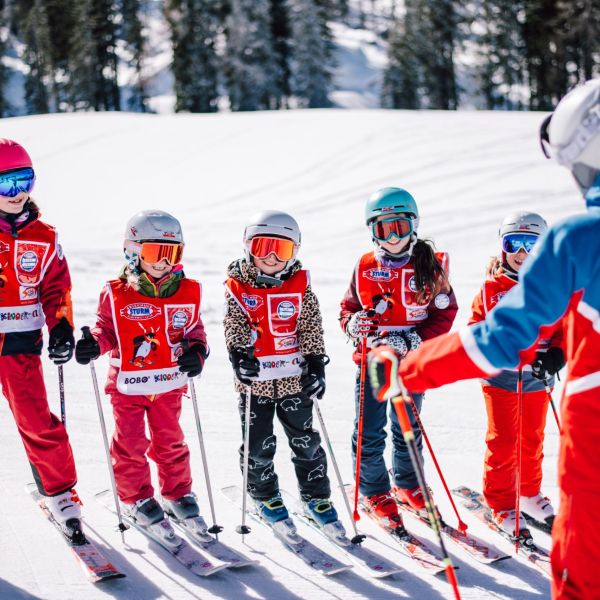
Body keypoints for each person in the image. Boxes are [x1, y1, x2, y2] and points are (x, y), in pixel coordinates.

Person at [369, 79, 600, 599]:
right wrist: (563, 344)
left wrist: (407, 369)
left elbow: (495, 339)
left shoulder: (579, 238)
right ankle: (506, 496)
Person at [75, 210, 209, 530]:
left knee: (170, 441)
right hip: (128, 385)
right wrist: (94, 344)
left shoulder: (186, 291)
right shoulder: (117, 292)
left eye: (172, 253)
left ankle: (177, 494)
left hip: (168, 384)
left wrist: (197, 353)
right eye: (154, 253)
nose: (163, 261)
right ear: (133, 251)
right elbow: (107, 330)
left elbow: (195, 332)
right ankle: (137, 496)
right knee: (131, 443)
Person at [339, 187, 457, 526]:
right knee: (370, 428)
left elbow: (445, 313)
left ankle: (408, 483)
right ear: (372, 231)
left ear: (414, 226)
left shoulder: (430, 267)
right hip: (374, 363)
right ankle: (374, 489)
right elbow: (348, 308)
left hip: (411, 364)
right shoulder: (364, 266)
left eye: (400, 228)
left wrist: (414, 338)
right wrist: (352, 323)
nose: (392, 237)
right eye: (383, 229)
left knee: (408, 426)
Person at [224, 209, 342, 535]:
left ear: (295, 252)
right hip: (255, 384)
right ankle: (264, 496)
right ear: (249, 248)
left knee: (306, 442)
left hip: (294, 380)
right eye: (264, 248)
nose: (273, 257)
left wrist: (316, 364)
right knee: (258, 444)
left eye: (283, 249)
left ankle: (316, 497)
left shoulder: (301, 288)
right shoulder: (238, 289)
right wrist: (239, 356)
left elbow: (311, 328)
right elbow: (234, 326)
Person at [0, 138, 81, 537]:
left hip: (20, 342)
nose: (17, 194)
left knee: (35, 420)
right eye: (5, 185)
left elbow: (56, 289)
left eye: (24, 181)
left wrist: (62, 326)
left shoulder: (45, 237)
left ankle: (61, 492)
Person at [469, 211, 564, 535]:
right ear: (503, 247)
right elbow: (474, 330)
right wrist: (495, 349)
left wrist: (557, 354)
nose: (521, 254)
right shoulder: (490, 289)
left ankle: (528, 492)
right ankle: (500, 502)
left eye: (530, 245)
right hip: (501, 378)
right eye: (514, 244)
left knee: (532, 438)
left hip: (538, 377)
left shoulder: (552, 288)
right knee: (504, 441)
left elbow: (564, 327)